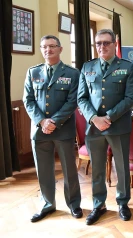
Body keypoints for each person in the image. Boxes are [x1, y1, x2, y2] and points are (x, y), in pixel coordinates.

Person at [77, 29, 133, 225]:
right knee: (97, 170)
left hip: (118, 126)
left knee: (121, 167)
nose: (102, 47)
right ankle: (98, 204)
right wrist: (95, 118)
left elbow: (130, 98)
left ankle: (123, 203)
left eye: (106, 43)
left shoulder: (127, 67)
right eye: (98, 43)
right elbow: (82, 97)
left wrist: (108, 117)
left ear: (114, 44)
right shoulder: (87, 67)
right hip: (95, 128)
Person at [23, 35, 82, 222]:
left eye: (52, 46)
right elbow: (28, 100)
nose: (48, 50)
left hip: (63, 129)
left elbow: (72, 101)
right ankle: (47, 204)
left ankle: (74, 204)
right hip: (40, 131)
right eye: (44, 47)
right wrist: (42, 121)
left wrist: (54, 121)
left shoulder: (72, 73)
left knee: (69, 170)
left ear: (60, 49)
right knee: (43, 170)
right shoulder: (33, 72)